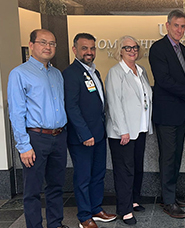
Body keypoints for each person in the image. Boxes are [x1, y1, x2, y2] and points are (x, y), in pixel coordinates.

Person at [7, 29, 68, 228]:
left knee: (56, 186)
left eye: (52, 43)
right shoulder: (19, 73)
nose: (48, 47)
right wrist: (23, 145)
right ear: (31, 45)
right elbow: (16, 112)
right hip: (35, 138)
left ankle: (55, 224)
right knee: (32, 189)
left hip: (58, 136)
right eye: (43, 42)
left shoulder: (57, 73)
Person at [148, 9, 185, 219]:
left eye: (183, 26)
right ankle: (168, 201)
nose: (179, 29)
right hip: (166, 114)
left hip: (182, 113)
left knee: (177, 156)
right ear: (167, 25)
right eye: (176, 25)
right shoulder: (158, 49)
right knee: (168, 157)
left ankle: (170, 195)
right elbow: (164, 81)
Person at [63, 33, 116, 228]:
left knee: (98, 173)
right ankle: (84, 216)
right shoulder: (70, 73)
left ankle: (96, 209)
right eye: (84, 48)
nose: (89, 52)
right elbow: (72, 107)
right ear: (75, 50)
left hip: (99, 134)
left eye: (92, 48)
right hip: (83, 137)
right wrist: (85, 134)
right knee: (83, 177)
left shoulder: (94, 72)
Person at [105, 35, 153, 225]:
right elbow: (114, 104)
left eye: (135, 47)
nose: (132, 50)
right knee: (124, 171)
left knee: (136, 168)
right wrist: (123, 130)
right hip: (122, 133)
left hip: (139, 129)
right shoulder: (115, 73)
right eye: (127, 48)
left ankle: (133, 200)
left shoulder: (141, 71)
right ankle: (124, 210)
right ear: (120, 51)